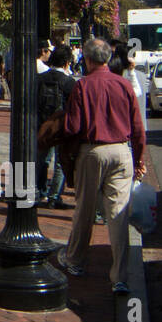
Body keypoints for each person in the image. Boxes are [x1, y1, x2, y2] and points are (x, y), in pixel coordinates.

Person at [56, 37, 147, 295]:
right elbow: (138, 128)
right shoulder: (123, 84)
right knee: (118, 214)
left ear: (88, 59)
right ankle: (119, 276)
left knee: (85, 208)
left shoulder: (82, 86)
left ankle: (75, 260)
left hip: (92, 150)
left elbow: (72, 126)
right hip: (121, 150)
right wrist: (139, 158)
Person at [36, 44, 77, 207]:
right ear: (67, 62)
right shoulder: (69, 82)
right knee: (60, 162)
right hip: (61, 126)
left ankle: (39, 191)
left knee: (41, 159)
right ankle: (54, 196)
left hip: (42, 126)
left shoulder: (40, 79)